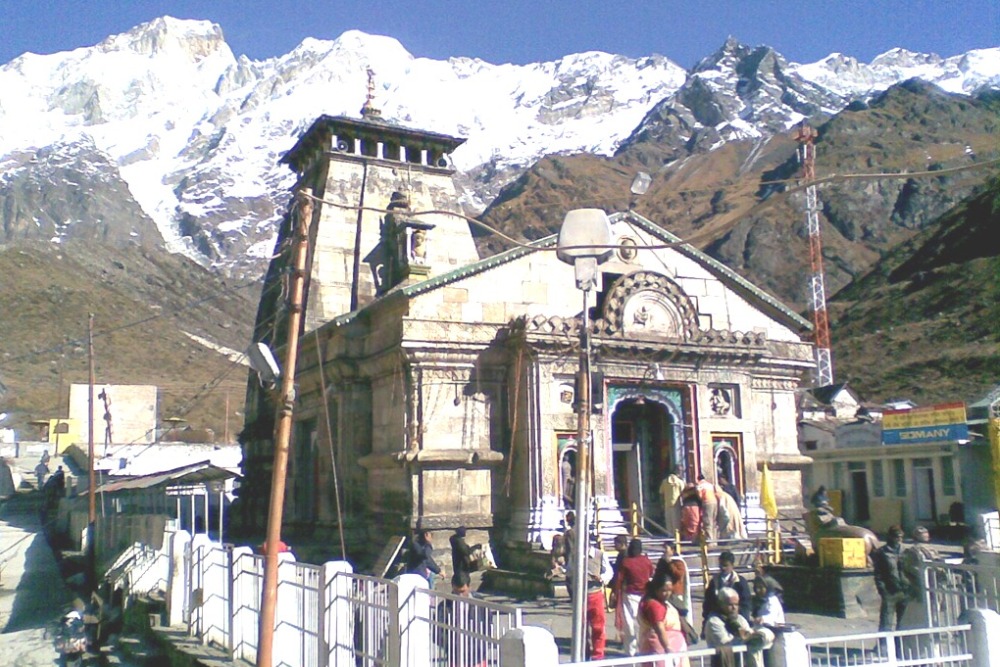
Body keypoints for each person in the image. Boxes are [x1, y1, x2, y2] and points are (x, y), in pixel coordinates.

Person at [705, 587, 774, 667]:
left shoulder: (740, 619)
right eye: (730, 605)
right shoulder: (714, 622)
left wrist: (755, 636)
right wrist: (748, 638)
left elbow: (748, 634)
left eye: (736, 604)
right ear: (721, 604)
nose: (734, 608)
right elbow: (725, 644)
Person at [611, 538, 655, 656]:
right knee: (643, 624)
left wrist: (615, 592)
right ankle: (644, 649)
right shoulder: (646, 561)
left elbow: (619, 579)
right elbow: (651, 573)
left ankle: (631, 652)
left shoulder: (626, 562)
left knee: (630, 624)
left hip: (629, 596)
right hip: (644, 596)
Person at [637, 569, 690, 667]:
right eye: (664, 590)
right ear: (656, 589)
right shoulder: (654, 606)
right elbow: (659, 627)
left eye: (670, 590)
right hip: (661, 649)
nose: (667, 593)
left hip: (672, 646)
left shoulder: (658, 601)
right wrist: (668, 647)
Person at [435, 572, 487, 667]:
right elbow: (438, 633)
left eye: (463, 591)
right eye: (456, 591)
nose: (459, 595)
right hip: (455, 656)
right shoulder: (444, 607)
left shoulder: (480, 603)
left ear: (469, 587)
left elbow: (487, 625)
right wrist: (451, 646)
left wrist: (481, 645)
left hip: (477, 655)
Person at [703, 551, 752, 631]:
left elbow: (746, 603)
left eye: (725, 565)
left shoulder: (740, 582)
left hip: (737, 617)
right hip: (718, 617)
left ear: (732, 565)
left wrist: (740, 616)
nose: (723, 568)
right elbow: (708, 603)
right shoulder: (714, 582)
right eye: (721, 565)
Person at [583, 535, 614, 660]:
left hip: (595, 594)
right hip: (581, 595)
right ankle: (583, 653)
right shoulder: (575, 556)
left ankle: (598, 655)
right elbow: (569, 570)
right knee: (581, 627)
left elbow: (609, 572)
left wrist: (601, 577)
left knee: (598, 627)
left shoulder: (600, 555)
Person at [873, 525, 908, 631]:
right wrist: (882, 589)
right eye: (897, 537)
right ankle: (884, 646)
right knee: (886, 622)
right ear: (890, 537)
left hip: (904, 590)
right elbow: (878, 573)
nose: (899, 540)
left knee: (903, 622)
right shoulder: (882, 552)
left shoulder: (905, 551)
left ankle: (899, 646)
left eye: (901, 537)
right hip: (889, 591)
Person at [655, 542, 689, 616]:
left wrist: (670, 563)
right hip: (663, 592)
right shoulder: (662, 561)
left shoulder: (678, 561)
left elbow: (679, 575)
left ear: (672, 550)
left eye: (666, 549)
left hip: (675, 592)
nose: (664, 551)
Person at [659, 470, 685, 537]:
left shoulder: (664, 481)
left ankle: (670, 535)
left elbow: (661, 493)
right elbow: (683, 493)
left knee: (669, 521)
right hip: (676, 503)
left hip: (667, 503)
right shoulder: (680, 482)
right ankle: (677, 536)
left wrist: (662, 503)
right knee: (676, 521)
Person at [696, 474, 719, 541]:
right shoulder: (710, 485)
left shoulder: (700, 485)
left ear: (698, 479)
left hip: (707, 502)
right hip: (714, 502)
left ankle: (709, 540)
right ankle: (715, 540)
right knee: (714, 521)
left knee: (707, 521)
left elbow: (700, 496)